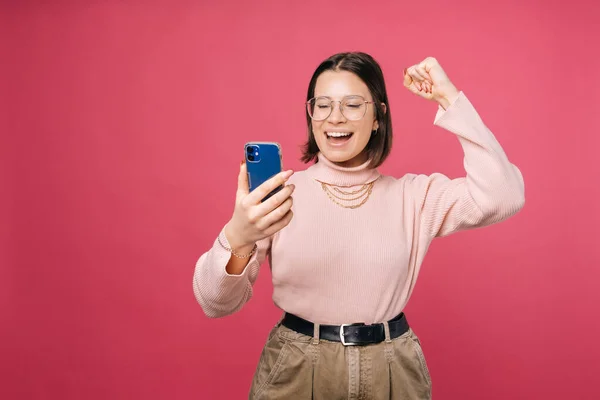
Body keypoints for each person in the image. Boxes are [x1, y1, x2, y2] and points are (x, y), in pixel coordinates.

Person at [193, 52, 525, 400]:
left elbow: (504, 195)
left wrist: (449, 98)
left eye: (352, 104)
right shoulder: (280, 195)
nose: (334, 117)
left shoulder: (414, 196)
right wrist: (239, 236)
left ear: (379, 116)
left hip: (393, 368)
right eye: (322, 105)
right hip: (297, 366)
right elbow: (215, 303)